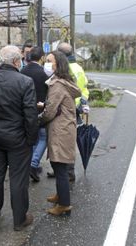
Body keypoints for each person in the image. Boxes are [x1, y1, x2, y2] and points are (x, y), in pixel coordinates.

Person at [0, 45, 38, 231]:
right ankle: (19, 220)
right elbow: (30, 114)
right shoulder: (25, 82)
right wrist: (30, 138)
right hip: (18, 139)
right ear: (16, 61)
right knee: (18, 180)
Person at [40, 50, 81, 216]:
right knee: (60, 165)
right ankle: (61, 194)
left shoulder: (57, 85)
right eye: (46, 61)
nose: (46, 64)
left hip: (60, 130)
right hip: (66, 127)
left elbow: (50, 111)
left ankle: (64, 204)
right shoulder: (65, 81)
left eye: (50, 61)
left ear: (59, 64)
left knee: (59, 167)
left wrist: (39, 119)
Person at [46, 42, 90, 181]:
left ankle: (65, 172)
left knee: (64, 143)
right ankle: (66, 171)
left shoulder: (65, 69)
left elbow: (62, 92)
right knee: (69, 142)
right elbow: (84, 87)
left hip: (65, 108)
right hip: (75, 106)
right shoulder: (78, 67)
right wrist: (83, 102)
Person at [20, 46, 48, 182]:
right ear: (42, 58)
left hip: (25, 110)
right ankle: (34, 163)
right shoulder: (44, 73)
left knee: (30, 139)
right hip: (41, 110)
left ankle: (29, 164)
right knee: (43, 138)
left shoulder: (22, 71)